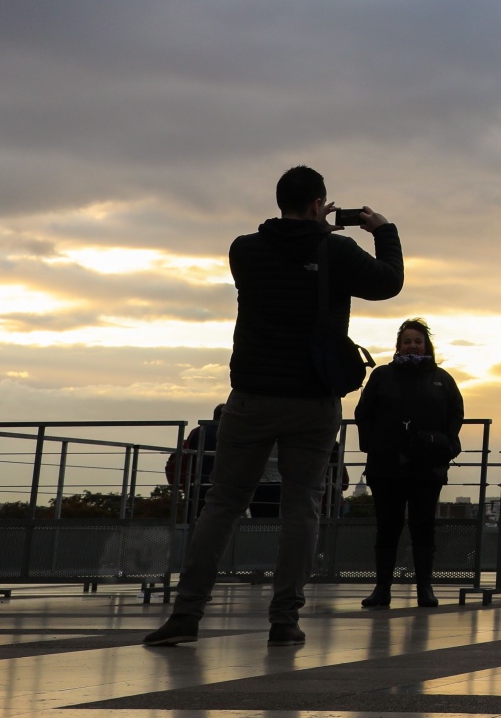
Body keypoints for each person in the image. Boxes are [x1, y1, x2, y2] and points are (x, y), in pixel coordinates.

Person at [144, 165, 402, 648]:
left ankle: (186, 613)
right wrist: (382, 230)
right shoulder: (335, 250)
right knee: (300, 507)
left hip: (251, 397)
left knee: (221, 505)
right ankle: (284, 618)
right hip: (311, 399)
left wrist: (314, 231)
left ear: (282, 201)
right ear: (316, 205)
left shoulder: (244, 250)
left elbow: (285, 257)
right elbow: (388, 283)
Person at [353, 319, 463, 608]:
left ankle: (425, 588)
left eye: (418, 341)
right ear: (398, 346)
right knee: (387, 527)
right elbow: (363, 413)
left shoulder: (442, 378)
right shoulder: (382, 376)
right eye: (407, 341)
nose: (412, 345)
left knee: (423, 526)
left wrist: (446, 445)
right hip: (386, 466)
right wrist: (373, 446)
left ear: (427, 345)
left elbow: (455, 415)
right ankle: (382, 589)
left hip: (427, 468)